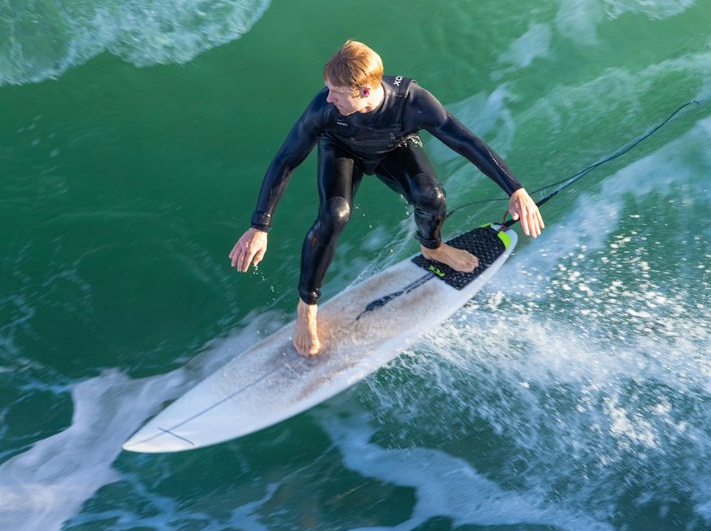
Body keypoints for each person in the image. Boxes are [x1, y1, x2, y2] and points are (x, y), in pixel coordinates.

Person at [228, 41, 544, 357]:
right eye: (328, 90)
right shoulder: (324, 110)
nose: (328, 98)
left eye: (336, 92)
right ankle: (307, 308)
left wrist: (515, 189)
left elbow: (467, 143)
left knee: (431, 197)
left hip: (394, 147)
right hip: (341, 150)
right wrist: (260, 226)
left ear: (365, 91)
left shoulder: (412, 102)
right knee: (335, 213)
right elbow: (285, 159)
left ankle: (433, 248)